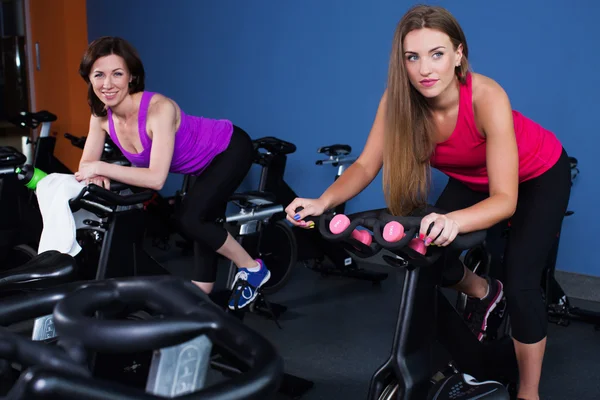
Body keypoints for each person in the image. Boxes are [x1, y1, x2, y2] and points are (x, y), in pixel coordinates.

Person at [285, 5, 570, 400]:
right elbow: (368, 163)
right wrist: (323, 201)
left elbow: (505, 200)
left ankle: (528, 391)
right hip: (473, 178)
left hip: (537, 175)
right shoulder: (400, 102)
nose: (425, 69)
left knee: (522, 282)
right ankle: (485, 293)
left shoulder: (486, 96)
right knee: (429, 257)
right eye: (412, 57)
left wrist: (455, 220)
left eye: (436, 53)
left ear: (458, 54)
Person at [74, 36, 271, 310]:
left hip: (228, 148)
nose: (107, 84)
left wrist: (100, 168)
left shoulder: (158, 109)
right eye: (99, 75)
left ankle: (252, 267)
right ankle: (202, 301)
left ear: (132, 77)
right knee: (202, 219)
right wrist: (95, 172)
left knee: (190, 217)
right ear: (89, 78)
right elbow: (86, 166)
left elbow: (156, 179)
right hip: (199, 165)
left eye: (117, 74)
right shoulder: (100, 115)